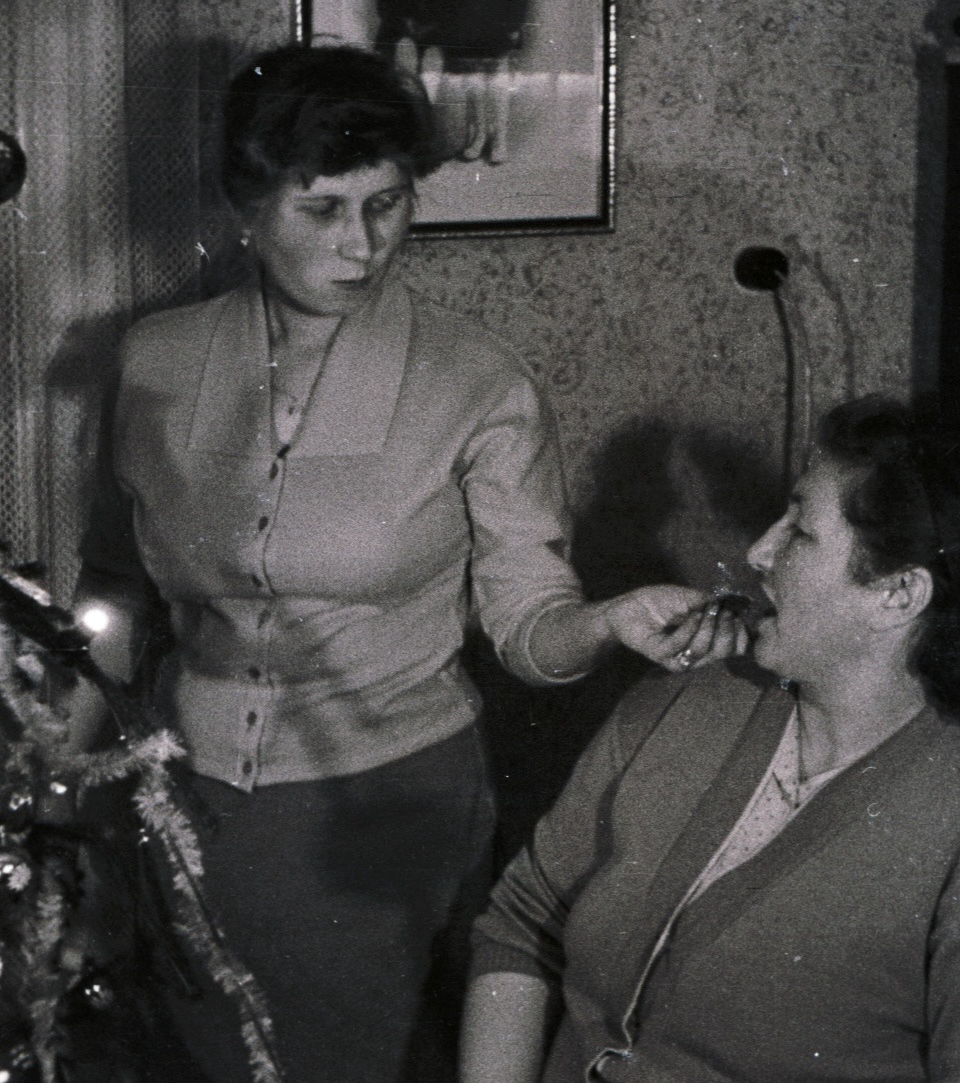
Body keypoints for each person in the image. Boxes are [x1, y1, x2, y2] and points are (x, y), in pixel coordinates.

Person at [64, 44, 741, 1083]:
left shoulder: (477, 384)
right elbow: (112, 590)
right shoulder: (153, 361)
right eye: (323, 208)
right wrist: (66, 774)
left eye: (387, 205)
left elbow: (528, 626)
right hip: (180, 807)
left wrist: (604, 623)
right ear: (247, 206)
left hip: (380, 813)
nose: (363, 245)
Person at [462, 397, 960, 1082]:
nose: (757, 551)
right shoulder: (698, 691)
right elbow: (522, 926)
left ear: (898, 593)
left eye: (799, 532)